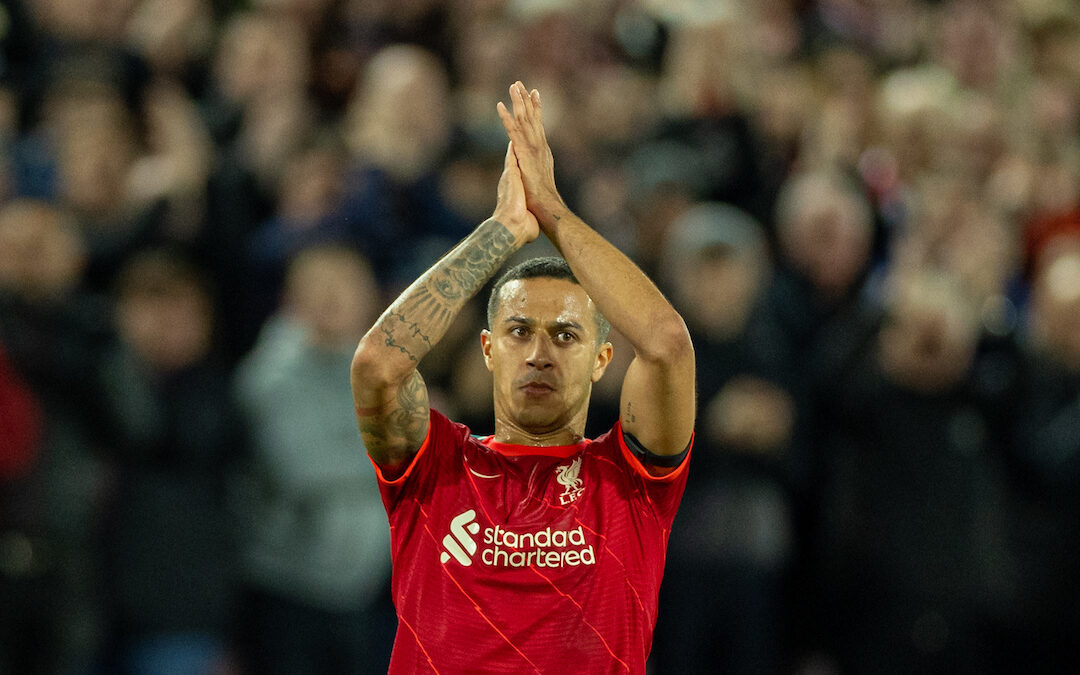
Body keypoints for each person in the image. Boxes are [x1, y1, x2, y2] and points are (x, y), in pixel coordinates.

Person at [349, 81, 696, 673]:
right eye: (517, 332)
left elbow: (665, 344)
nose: (539, 352)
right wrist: (504, 231)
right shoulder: (433, 470)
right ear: (487, 349)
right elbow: (378, 364)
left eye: (565, 336)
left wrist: (554, 212)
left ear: (602, 360)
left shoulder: (633, 485)